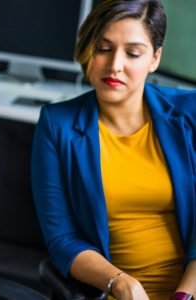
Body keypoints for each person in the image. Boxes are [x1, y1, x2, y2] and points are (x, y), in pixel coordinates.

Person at [31, 0, 195, 299]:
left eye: (133, 53)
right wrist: (119, 283)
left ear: (155, 58)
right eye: (104, 48)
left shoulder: (191, 113)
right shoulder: (57, 125)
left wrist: (184, 295)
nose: (115, 65)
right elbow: (62, 239)